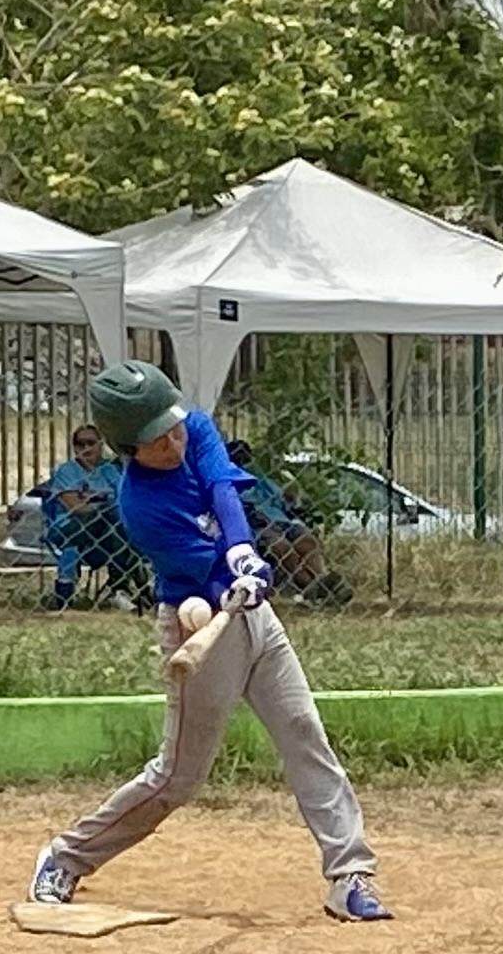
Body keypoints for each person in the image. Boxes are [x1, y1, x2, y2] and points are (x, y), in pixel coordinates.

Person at [27, 361, 391, 923]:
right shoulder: (140, 507)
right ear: (129, 448)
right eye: (158, 440)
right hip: (199, 626)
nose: (174, 441)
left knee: (304, 733)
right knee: (177, 779)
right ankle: (66, 856)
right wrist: (232, 579)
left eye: (173, 428)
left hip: (253, 615)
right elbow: (208, 575)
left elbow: (223, 489)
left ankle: (349, 874)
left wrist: (242, 550)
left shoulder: (193, 427)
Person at [42, 425, 143, 612]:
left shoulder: (109, 470)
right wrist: (105, 508)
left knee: (117, 525)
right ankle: (127, 586)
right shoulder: (67, 471)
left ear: (100, 445)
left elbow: (126, 500)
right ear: (74, 447)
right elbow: (76, 507)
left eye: (91, 443)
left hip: (107, 531)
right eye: (80, 444)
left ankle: (122, 589)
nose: (85, 448)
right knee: (113, 514)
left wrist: (104, 507)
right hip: (71, 528)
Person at [224, 438, 329, 594]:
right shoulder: (227, 482)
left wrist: (291, 498)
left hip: (281, 520)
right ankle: (310, 586)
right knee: (283, 548)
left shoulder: (260, 479)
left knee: (307, 541)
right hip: (259, 525)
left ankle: (323, 579)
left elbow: (283, 500)